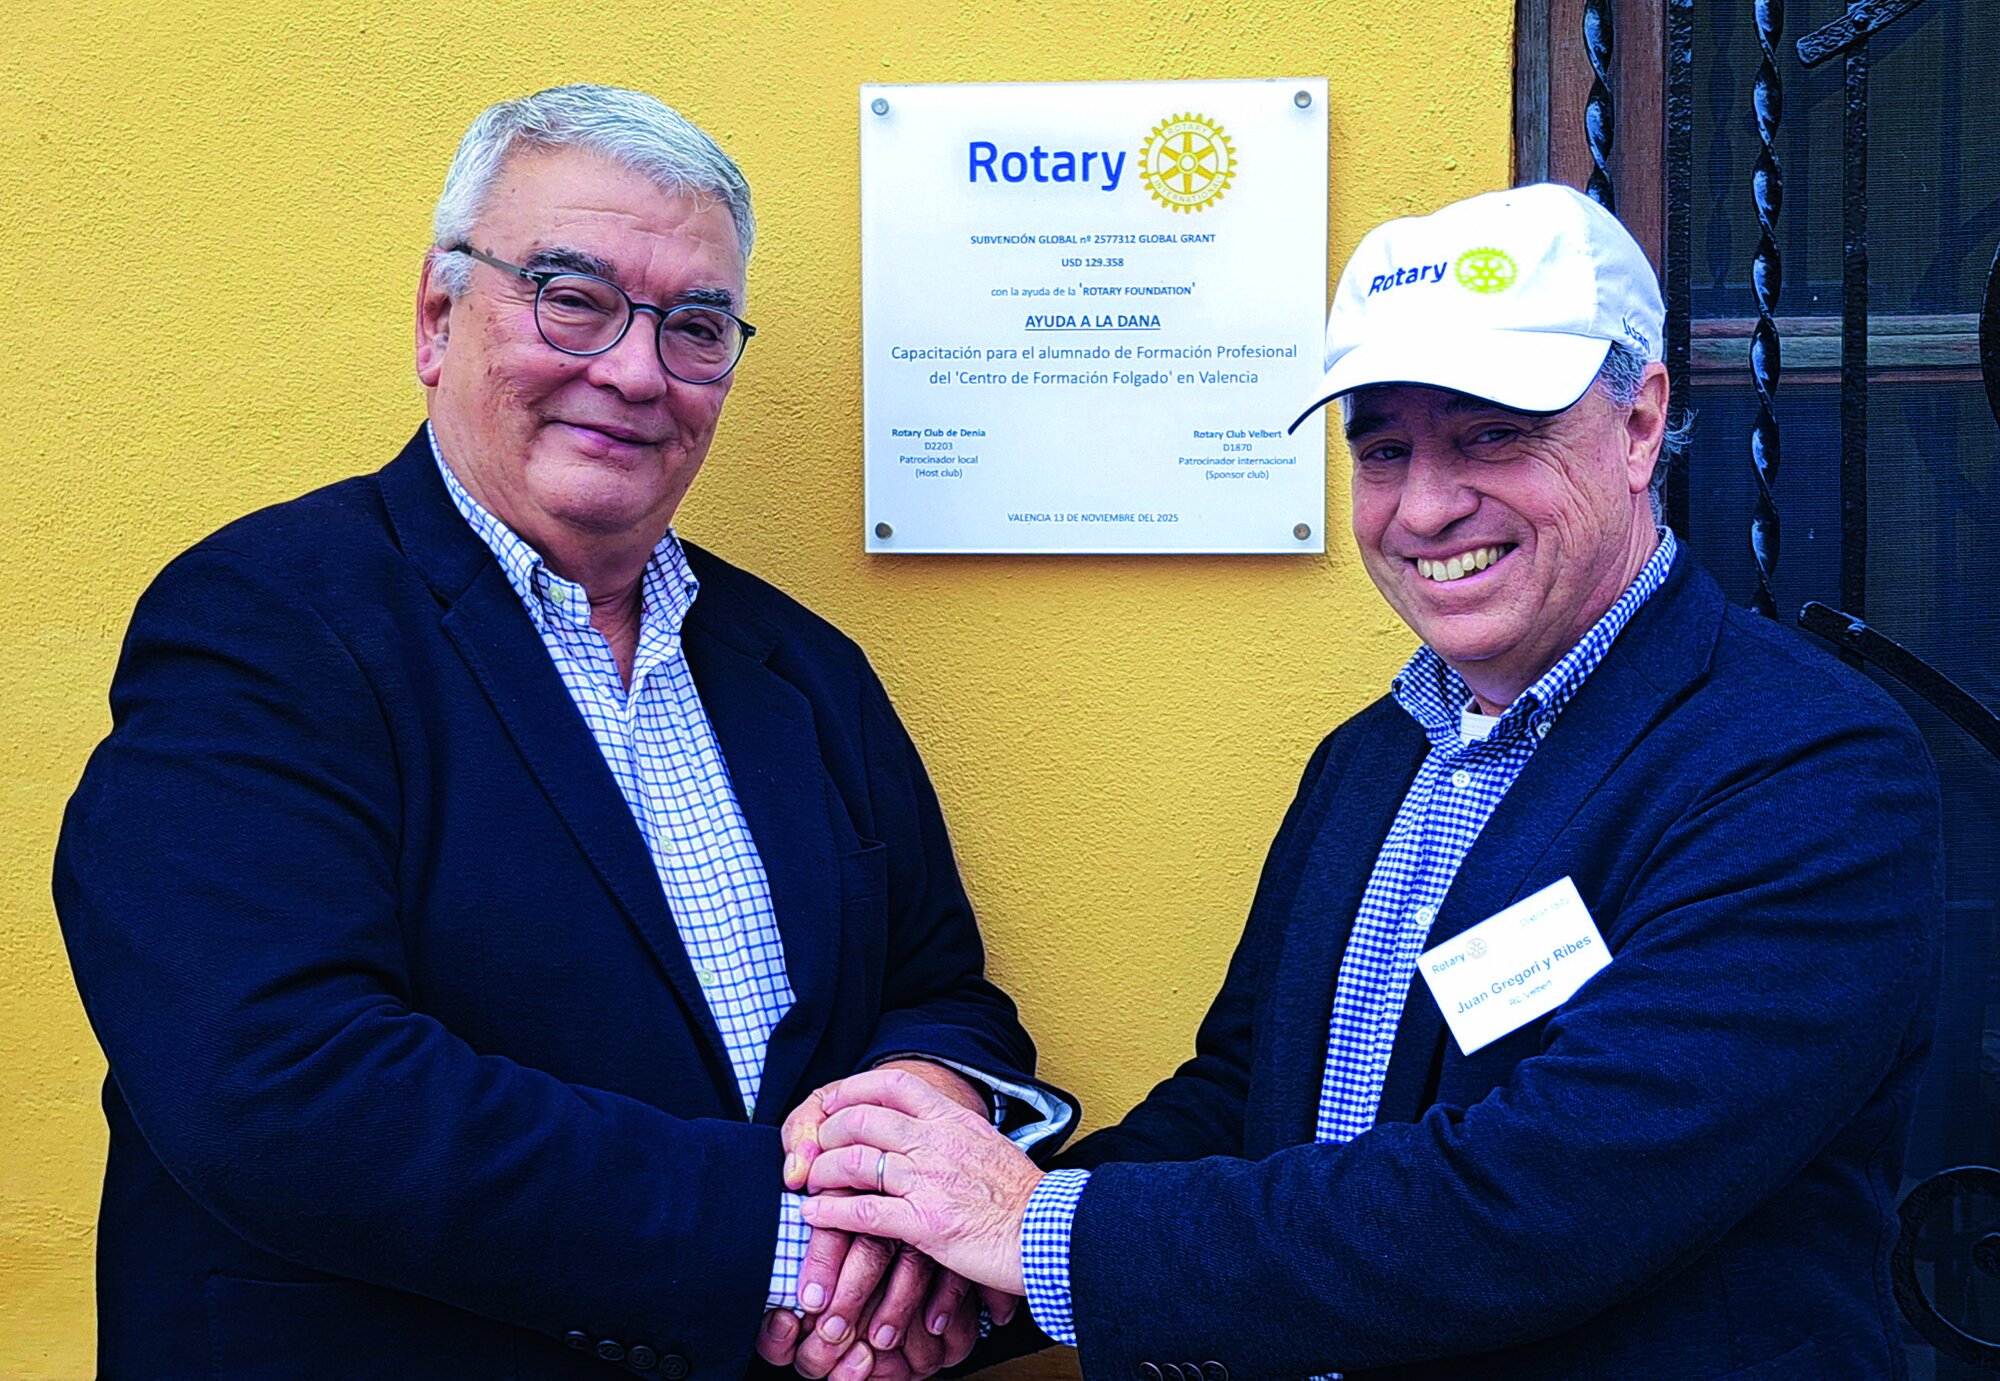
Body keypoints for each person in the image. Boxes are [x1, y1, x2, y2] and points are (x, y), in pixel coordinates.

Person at [773, 184, 1945, 1379]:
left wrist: (1033, 1231)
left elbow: (1541, 1202)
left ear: (1639, 423)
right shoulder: (1374, 752)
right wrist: (955, 1288)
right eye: (1382, 448)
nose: (1425, 506)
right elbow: (1242, 1098)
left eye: (1491, 433)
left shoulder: (1803, 765)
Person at [54, 84, 1072, 1381]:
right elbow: (278, 1084)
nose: (638, 370)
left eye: (696, 325)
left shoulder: (804, 671)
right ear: (438, 315)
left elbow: (938, 983)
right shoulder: (264, 624)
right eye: (573, 298)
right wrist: (787, 1242)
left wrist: (933, 1096)